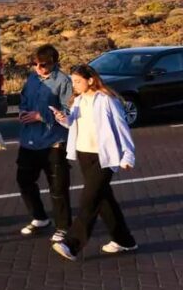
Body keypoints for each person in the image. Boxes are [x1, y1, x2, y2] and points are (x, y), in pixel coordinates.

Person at [51, 64, 138, 261]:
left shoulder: (107, 100)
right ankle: (125, 240)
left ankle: (72, 244)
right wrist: (63, 119)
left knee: (88, 200)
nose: (74, 85)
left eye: (78, 81)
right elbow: (74, 124)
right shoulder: (79, 101)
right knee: (104, 200)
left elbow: (122, 127)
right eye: (73, 81)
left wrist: (128, 155)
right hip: (84, 154)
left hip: (104, 157)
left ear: (90, 80)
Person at [16, 44, 74, 241]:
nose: (38, 68)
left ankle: (64, 226)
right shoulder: (32, 79)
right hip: (29, 140)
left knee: (58, 187)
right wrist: (23, 112)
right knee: (24, 180)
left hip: (53, 142)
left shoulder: (63, 81)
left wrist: (41, 116)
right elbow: (24, 99)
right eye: (35, 64)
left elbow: (68, 111)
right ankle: (39, 217)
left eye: (43, 65)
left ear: (54, 63)